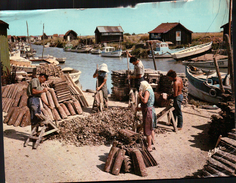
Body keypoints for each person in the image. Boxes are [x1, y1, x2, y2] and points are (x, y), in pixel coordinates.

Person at [136, 80, 157, 152]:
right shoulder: (150, 89)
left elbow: (145, 101)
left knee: (148, 128)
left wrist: (140, 95)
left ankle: (149, 146)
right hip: (150, 109)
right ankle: (153, 141)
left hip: (148, 111)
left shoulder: (147, 91)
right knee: (151, 127)